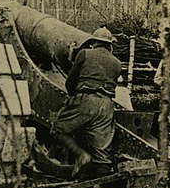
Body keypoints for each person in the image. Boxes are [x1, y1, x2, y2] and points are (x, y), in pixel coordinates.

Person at [52, 27, 122, 179]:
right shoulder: (117, 63)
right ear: (110, 46)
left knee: (59, 129)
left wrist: (74, 99)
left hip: (86, 99)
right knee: (102, 155)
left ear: (94, 42)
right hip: (106, 106)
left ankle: (81, 155)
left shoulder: (84, 54)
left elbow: (70, 82)